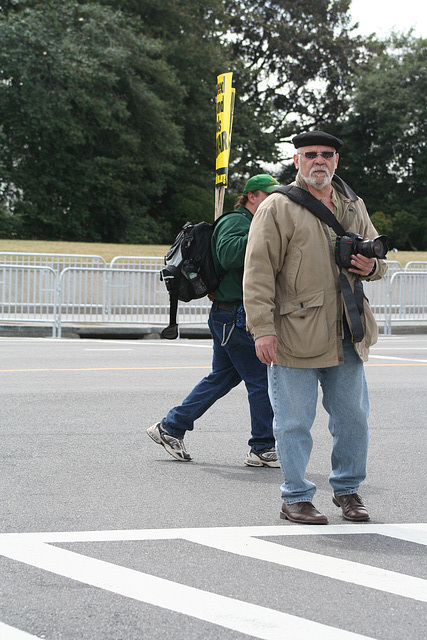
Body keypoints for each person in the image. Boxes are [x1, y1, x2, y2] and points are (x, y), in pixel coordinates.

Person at [243, 131, 387, 524]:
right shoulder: (277, 206)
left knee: (353, 419)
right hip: (294, 332)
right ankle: (295, 497)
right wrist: (262, 329)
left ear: (336, 161)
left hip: (347, 329)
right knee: (293, 421)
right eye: (310, 155)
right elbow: (257, 273)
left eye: (326, 155)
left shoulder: (353, 204)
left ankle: (348, 491)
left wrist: (373, 267)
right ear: (297, 161)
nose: (318, 161)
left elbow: (379, 255)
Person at [147, 174, 281, 467]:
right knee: (260, 381)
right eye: (268, 196)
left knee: (222, 378)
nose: (274, 201)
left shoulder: (249, 222)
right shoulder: (237, 222)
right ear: (252, 196)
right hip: (234, 315)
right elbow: (230, 255)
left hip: (230, 315)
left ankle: (171, 427)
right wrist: (262, 232)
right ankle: (263, 446)